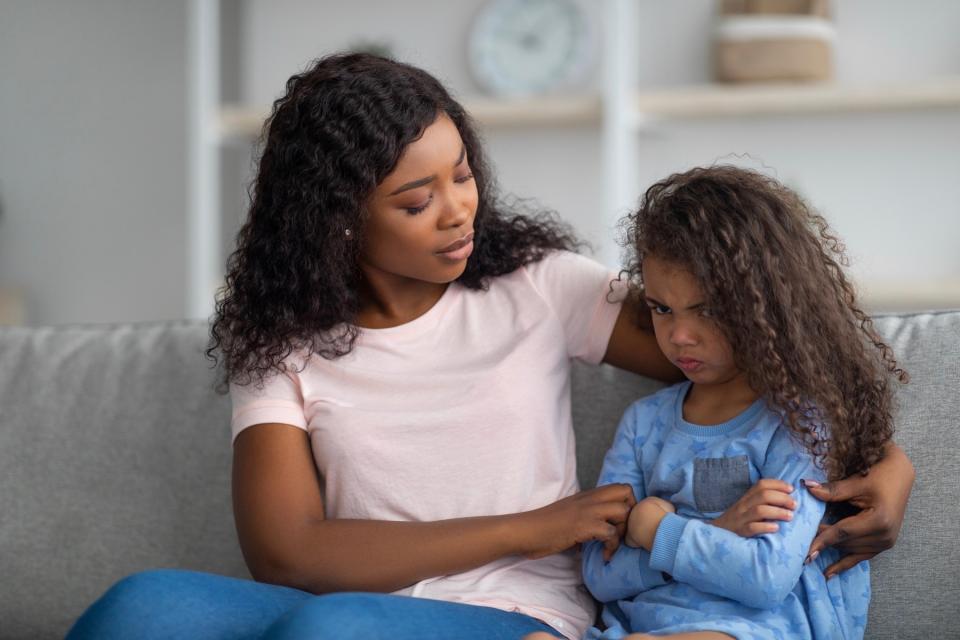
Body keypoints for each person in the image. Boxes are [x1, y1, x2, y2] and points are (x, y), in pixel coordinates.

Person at [66, 55, 914, 640]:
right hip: (352, 608)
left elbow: (753, 346)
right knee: (141, 607)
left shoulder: (538, 285)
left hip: (520, 613)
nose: (459, 210)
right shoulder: (285, 347)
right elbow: (289, 551)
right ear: (339, 218)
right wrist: (534, 523)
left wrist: (887, 461)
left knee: (335, 628)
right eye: (416, 198)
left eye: (463, 174)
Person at [527, 165, 909, 640]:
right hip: (642, 627)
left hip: (758, 629)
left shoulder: (801, 422)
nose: (679, 336)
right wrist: (723, 529)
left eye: (707, 310)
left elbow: (766, 578)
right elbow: (602, 577)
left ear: (765, 306)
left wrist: (653, 531)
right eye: (662, 308)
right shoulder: (644, 423)